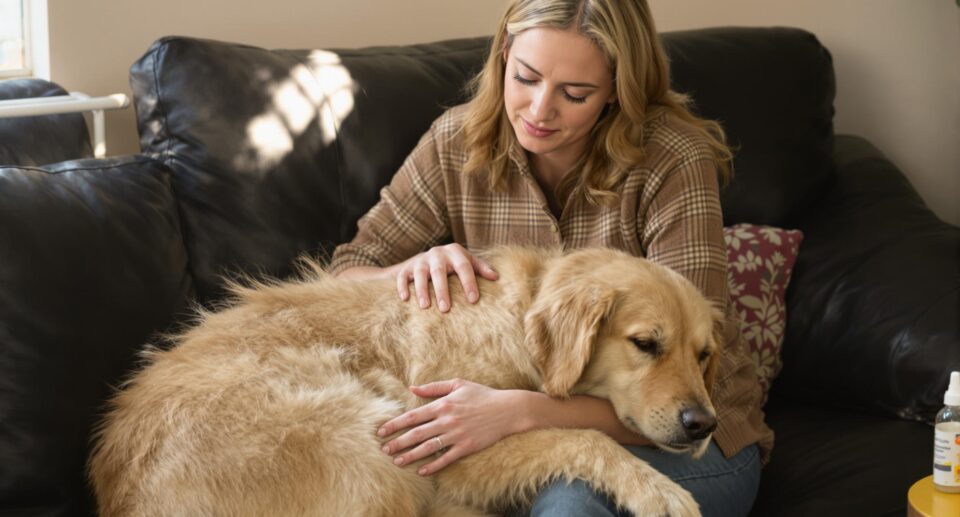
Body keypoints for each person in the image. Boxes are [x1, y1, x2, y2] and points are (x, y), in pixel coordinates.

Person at [329, 0, 772, 515]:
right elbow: (349, 269)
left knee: (572, 499)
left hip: (688, 440)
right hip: (506, 432)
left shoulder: (672, 158)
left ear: (615, 92)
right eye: (526, 78)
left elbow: (691, 369)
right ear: (502, 59)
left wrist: (519, 412)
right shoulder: (456, 139)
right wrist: (405, 269)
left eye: (575, 93)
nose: (540, 110)